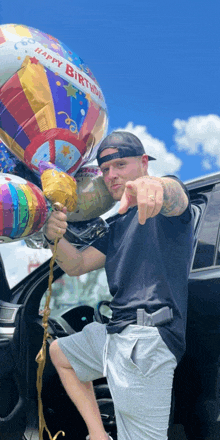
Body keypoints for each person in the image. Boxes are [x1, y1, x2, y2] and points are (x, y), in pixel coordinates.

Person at [45, 131, 194, 440]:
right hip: (116, 333)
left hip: (145, 339)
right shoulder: (116, 226)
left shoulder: (165, 208)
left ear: (143, 163)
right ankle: (98, 435)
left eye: (120, 165)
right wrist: (53, 236)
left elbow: (176, 197)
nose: (111, 175)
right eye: (105, 169)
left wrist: (155, 186)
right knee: (60, 353)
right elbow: (76, 265)